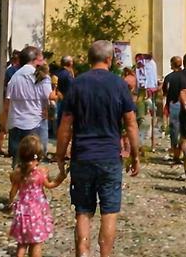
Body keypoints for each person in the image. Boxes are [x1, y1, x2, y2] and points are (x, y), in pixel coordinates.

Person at [56, 40, 140, 257]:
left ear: (89, 58)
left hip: (82, 155)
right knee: (109, 212)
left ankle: (83, 254)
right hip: (110, 157)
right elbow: (131, 123)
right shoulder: (119, 85)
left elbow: (66, 124)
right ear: (109, 60)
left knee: (83, 212)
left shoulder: (77, 84)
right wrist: (135, 155)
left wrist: (59, 155)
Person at [8, 134, 65, 257]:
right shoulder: (40, 173)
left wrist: (11, 202)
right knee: (36, 243)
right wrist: (60, 178)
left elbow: (13, 191)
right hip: (37, 212)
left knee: (22, 243)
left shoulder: (18, 173)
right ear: (38, 156)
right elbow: (50, 185)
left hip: (22, 212)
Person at [3, 46, 53, 160]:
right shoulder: (42, 77)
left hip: (15, 122)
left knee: (18, 160)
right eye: (41, 58)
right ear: (35, 60)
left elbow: (7, 101)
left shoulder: (14, 77)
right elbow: (49, 97)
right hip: (35, 123)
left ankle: (18, 177)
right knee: (35, 160)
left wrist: (4, 122)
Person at [161, 56, 185, 164]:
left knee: (174, 130)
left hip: (173, 104)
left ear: (172, 64)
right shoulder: (185, 76)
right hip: (185, 104)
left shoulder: (169, 78)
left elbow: (165, 92)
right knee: (184, 130)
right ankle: (183, 152)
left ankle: (175, 153)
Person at [54, 56, 76, 140]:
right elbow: (72, 88)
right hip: (66, 101)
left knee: (59, 121)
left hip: (58, 100)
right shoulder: (67, 75)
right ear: (70, 63)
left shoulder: (57, 73)